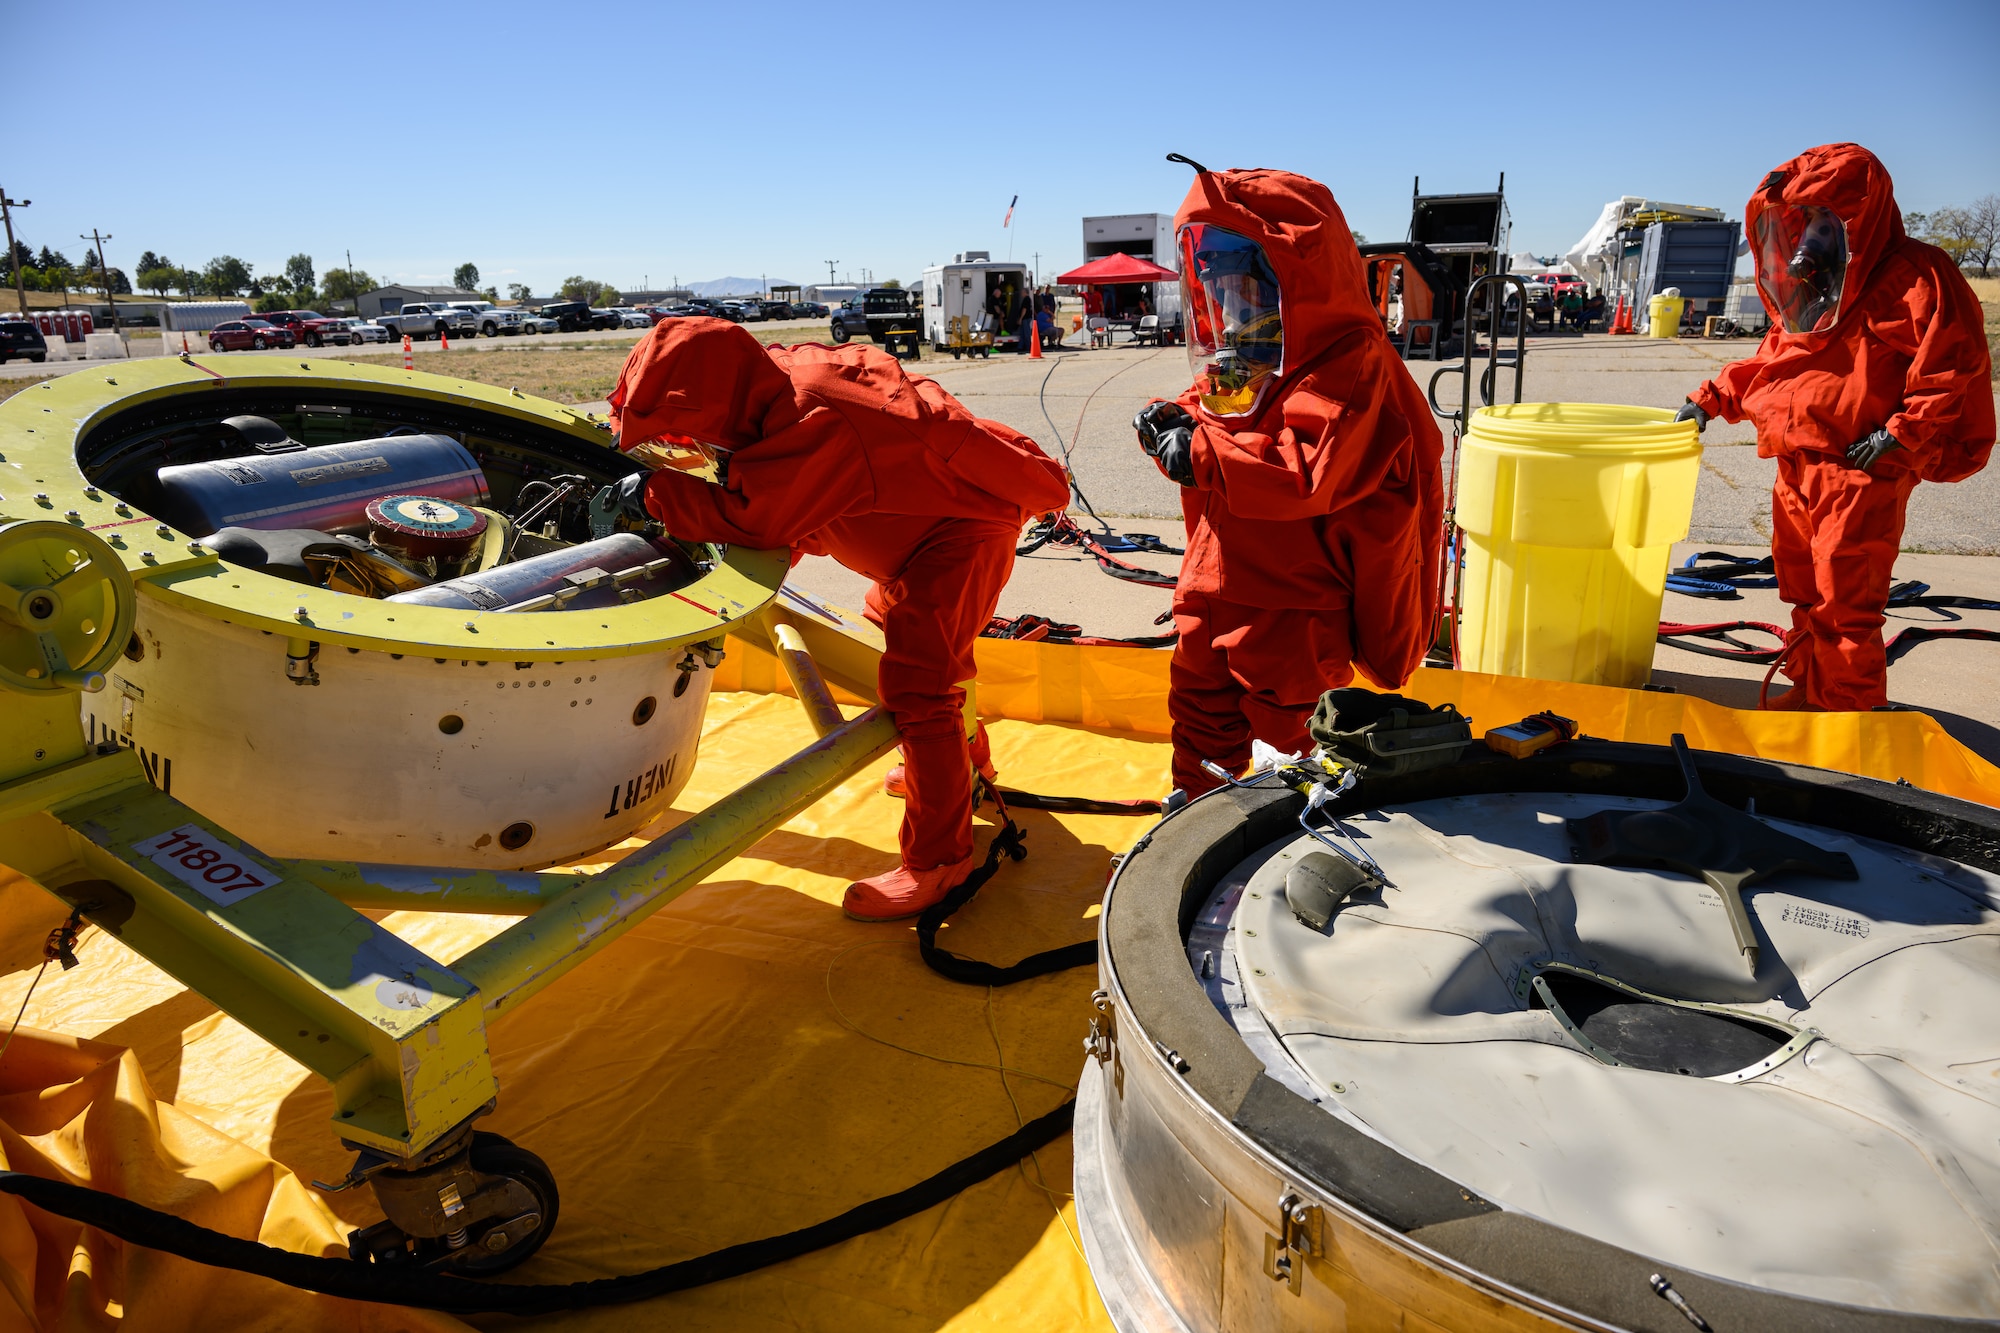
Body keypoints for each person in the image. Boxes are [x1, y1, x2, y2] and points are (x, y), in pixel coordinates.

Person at [607, 319, 1069, 918]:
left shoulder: (815, 414)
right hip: (906, 526)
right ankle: (963, 770)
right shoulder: (766, 387)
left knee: (923, 685)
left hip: (957, 538)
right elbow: (788, 495)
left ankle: (939, 863)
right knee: (915, 646)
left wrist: (652, 499)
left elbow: (761, 518)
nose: (680, 449)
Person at [1135, 164, 1444, 797]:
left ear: (1294, 277)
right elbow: (1220, 411)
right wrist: (1176, 417)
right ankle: (1190, 835)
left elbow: (1303, 469)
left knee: (1296, 745)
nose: (1229, 304)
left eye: (1245, 286)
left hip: (1293, 605)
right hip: (1214, 581)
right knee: (1198, 717)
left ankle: (1293, 853)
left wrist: (1197, 452)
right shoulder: (1252, 353)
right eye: (1217, 285)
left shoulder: (1349, 362)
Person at [1675, 143, 1993, 711]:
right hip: (1796, 470)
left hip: (1858, 471)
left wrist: (1900, 434)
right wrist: (1707, 400)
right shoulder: (1815, 294)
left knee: (1845, 604)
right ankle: (1811, 696)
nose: (1811, 236)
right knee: (1803, 593)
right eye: (1809, 221)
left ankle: (1847, 723)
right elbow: (1773, 361)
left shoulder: (1916, 276)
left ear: (1857, 220)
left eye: (1827, 220)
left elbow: (1951, 364)